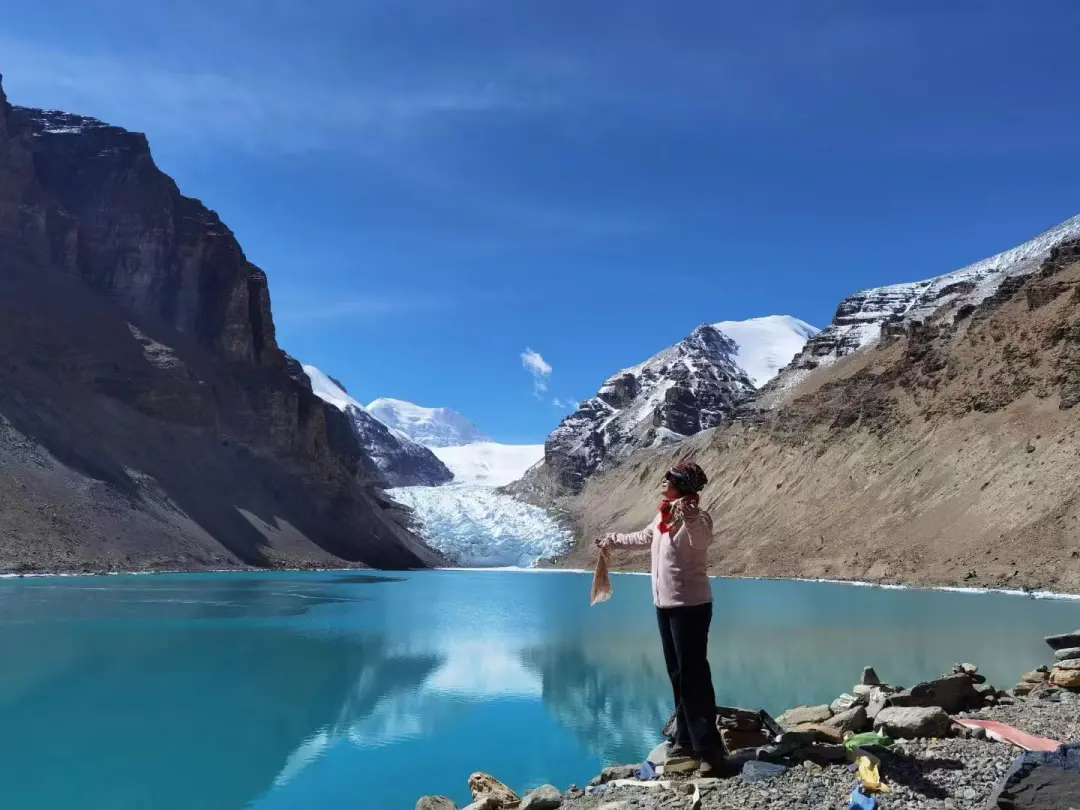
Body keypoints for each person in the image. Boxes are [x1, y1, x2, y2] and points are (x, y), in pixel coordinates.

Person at [595, 459, 724, 773]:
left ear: (681, 485)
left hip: (690, 607)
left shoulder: (697, 516)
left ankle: (710, 751)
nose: (662, 482)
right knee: (678, 674)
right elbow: (644, 538)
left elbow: (702, 540)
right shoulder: (664, 516)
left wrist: (691, 515)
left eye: (668, 479)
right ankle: (686, 740)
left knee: (693, 674)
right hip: (666, 606)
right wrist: (613, 540)